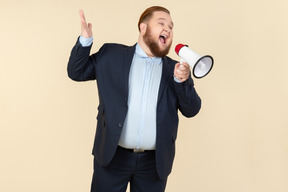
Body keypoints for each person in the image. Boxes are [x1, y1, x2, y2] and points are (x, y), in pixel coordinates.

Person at [67, 6, 201, 192]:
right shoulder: (111, 55)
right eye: (161, 23)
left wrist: (182, 82)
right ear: (143, 27)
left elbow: (192, 109)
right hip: (112, 157)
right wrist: (85, 40)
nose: (168, 29)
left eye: (171, 26)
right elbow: (76, 72)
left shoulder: (175, 70)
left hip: (153, 165)